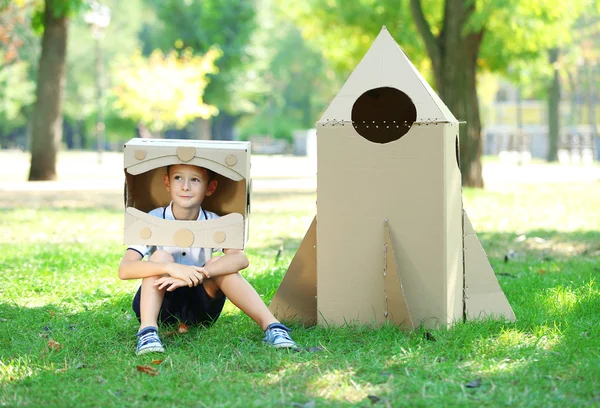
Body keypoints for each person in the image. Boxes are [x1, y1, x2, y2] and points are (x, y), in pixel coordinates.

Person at [118, 163, 296, 355]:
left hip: (200, 310)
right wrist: (171, 268)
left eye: (195, 180)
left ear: (209, 188)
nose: (185, 186)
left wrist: (200, 273)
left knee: (216, 263)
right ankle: (147, 332)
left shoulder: (214, 222)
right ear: (167, 183)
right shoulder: (152, 219)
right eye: (178, 178)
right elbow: (125, 269)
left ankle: (273, 327)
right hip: (160, 305)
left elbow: (240, 260)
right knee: (160, 257)